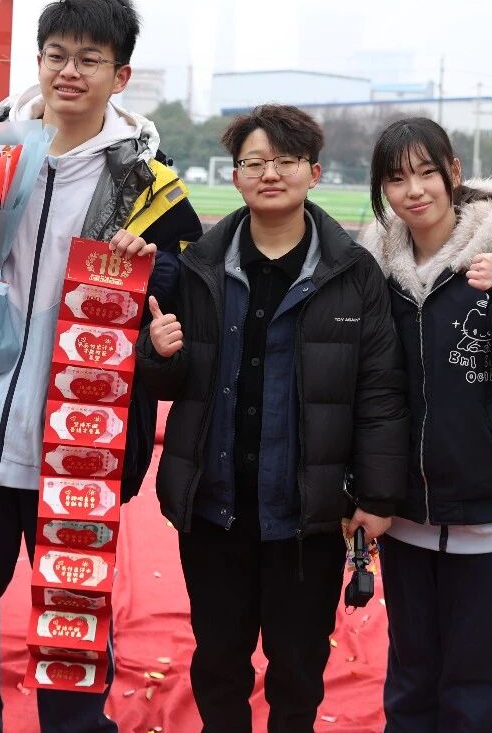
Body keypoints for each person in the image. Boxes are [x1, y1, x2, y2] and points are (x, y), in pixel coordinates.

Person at [0, 0, 202, 732]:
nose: (70, 72)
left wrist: (149, 268)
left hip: (80, 438)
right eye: (57, 55)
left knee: (75, 609)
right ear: (38, 62)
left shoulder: (148, 183)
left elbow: (179, 283)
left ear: (119, 75)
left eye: (90, 59)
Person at [135, 105, 409, 733]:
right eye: (254, 162)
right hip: (215, 507)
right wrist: (159, 353)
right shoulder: (199, 266)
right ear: (235, 175)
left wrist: (376, 496)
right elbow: (169, 382)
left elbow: (380, 392)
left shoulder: (352, 273)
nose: (270, 174)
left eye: (285, 161)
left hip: (306, 517)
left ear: (314, 172)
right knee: (218, 660)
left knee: (299, 667)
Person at [359, 117, 492, 733]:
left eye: (427, 172)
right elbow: (363, 386)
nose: (414, 190)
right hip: (406, 511)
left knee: (475, 683)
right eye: (396, 179)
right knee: (411, 677)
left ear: (453, 173)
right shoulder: (375, 266)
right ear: (382, 190)